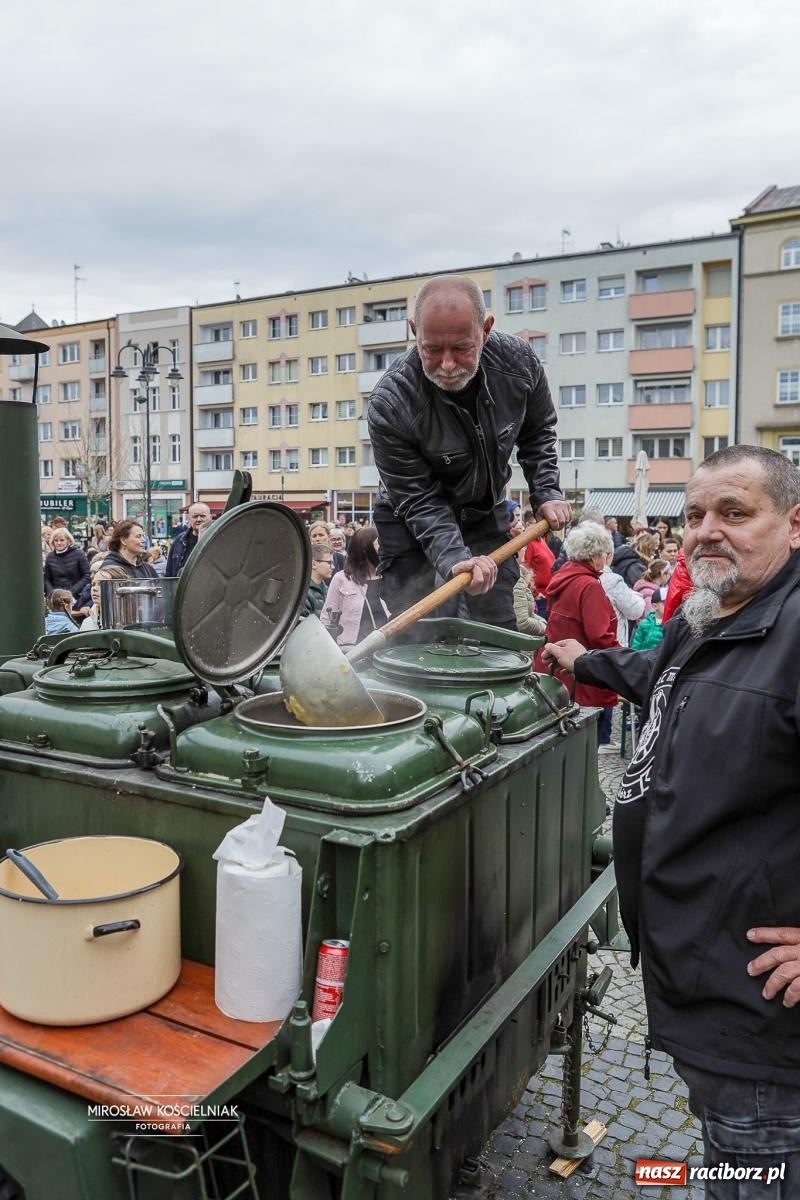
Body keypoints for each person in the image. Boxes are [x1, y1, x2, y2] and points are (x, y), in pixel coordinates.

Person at [541, 445, 800, 1193]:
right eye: (694, 516)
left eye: (735, 512)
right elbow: (665, 681)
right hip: (697, 977)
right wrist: (583, 661)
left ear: (794, 524)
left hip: (759, 1023)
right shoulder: (708, 614)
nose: (706, 531)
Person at [368, 274, 571, 629]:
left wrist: (547, 491)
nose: (447, 365)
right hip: (409, 521)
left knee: (497, 622)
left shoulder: (519, 365)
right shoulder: (391, 403)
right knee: (421, 631)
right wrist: (453, 559)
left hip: (482, 512)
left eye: (462, 348)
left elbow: (538, 433)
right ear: (414, 331)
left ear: (486, 329)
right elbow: (419, 500)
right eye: (432, 349)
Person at [533, 524, 619, 749]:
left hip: (558, 668)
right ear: (594, 555)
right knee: (584, 744)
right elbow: (599, 635)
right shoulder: (589, 585)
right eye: (605, 554)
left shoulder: (563, 577)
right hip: (580, 673)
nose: (607, 558)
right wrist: (623, 657)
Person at [320, 525, 389, 652]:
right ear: (365, 549)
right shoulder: (342, 579)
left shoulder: (389, 577)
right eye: (378, 543)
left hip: (387, 651)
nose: (384, 547)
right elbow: (326, 619)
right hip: (351, 652)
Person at [600, 549, 646, 647]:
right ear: (608, 556)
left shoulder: (575, 576)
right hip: (612, 643)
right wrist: (636, 595)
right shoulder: (612, 580)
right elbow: (635, 611)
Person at [43, 528, 91, 602]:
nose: (59, 543)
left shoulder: (79, 554)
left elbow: (87, 576)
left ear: (68, 541)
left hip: (76, 596)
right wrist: (52, 593)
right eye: (56, 540)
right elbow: (47, 579)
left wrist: (71, 591)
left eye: (62, 540)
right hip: (56, 598)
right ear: (52, 542)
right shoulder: (50, 557)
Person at [165, 503, 211, 576]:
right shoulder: (179, 540)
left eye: (202, 516)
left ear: (210, 517)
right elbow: (169, 572)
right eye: (195, 516)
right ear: (189, 518)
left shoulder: (216, 539)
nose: (199, 519)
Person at [80, 564, 130, 631]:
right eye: (93, 584)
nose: (94, 588)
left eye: (102, 584)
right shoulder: (88, 623)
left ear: (120, 587)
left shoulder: (132, 620)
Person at [513, 552, 547, 637]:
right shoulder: (516, 578)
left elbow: (529, 614)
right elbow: (522, 623)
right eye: (523, 546)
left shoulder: (519, 573)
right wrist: (545, 628)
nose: (525, 549)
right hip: (520, 640)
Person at [301, 545, 334, 618]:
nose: (333, 567)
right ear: (314, 564)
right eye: (329, 563)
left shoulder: (327, 589)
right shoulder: (302, 593)